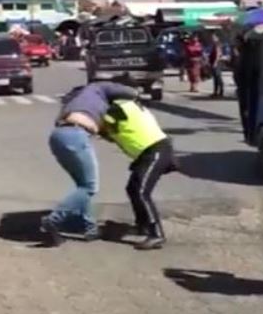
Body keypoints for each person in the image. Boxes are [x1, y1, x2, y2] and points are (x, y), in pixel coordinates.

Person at [41, 82, 140, 246]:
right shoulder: (98, 88)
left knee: (82, 185)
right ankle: (54, 219)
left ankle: (90, 228)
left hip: (58, 136)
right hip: (76, 134)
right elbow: (130, 92)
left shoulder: (73, 103)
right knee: (90, 187)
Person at [100, 99, 177, 250]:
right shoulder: (129, 106)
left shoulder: (118, 109)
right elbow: (111, 131)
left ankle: (156, 234)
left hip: (155, 151)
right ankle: (143, 226)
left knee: (141, 192)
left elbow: (106, 124)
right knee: (132, 188)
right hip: (148, 152)